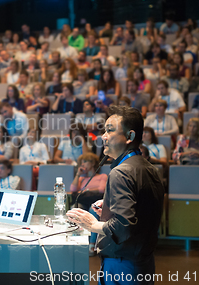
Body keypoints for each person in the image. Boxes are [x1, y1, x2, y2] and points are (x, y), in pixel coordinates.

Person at [67, 105, 164, 285]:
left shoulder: (121, 172)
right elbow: (142, 209)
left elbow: (124, 225)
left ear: (130, 137)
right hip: (143, 262)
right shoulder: (149, 168)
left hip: (122, 265)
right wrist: (109, 206)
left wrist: (95, 225)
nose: (103, 136)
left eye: (110, 130)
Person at [70, 152, 108, 256]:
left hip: (96, 202)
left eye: (85, 162)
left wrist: (86, 189)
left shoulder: (102, 176)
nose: (82, 165)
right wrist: (78, 174)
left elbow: (101, 189)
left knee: (93, 210)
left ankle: (92, 244)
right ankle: (77, 242)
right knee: (74, 208)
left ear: (93, 163)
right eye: (81, 163)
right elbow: (73, 189)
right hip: (83, 202)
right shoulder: (82, 178)